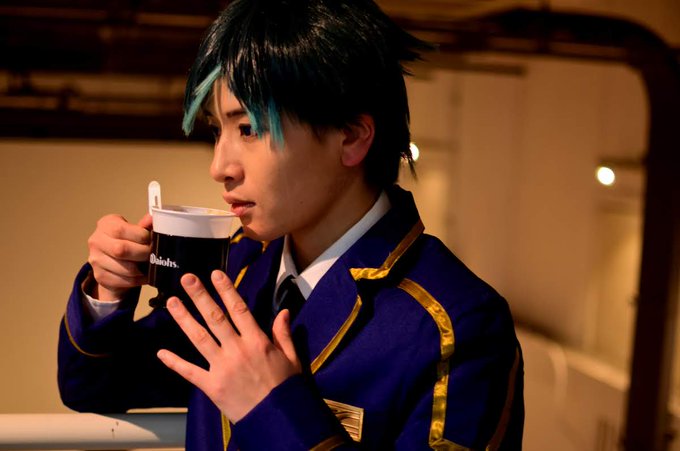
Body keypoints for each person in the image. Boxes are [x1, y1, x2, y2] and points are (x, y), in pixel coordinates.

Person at [58, 0, 525, 449]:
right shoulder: (237, 267)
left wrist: (272, 411)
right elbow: (94, 386)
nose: (220, 167)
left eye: (249, 129)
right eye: (217, 130)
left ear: (351, 137)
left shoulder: (455, 326)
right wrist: (107, 291)